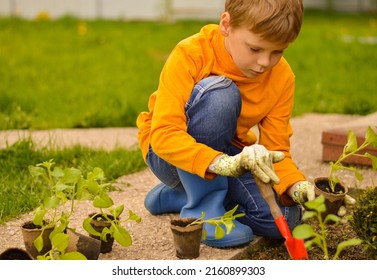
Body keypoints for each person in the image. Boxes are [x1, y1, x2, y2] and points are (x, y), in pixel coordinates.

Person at [136, 0, 313, 248]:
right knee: (221, 94)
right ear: (226, 24)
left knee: (286, 218)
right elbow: (165, 134)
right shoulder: (192, 53)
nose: (265, 62)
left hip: (229, 156)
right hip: (169, 156)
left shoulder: (281, 78)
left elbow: (278, 151)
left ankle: (182, 195)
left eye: (277, 52)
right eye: (255, 49)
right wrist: (219, 162)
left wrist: (296, 185)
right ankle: (204, 211)